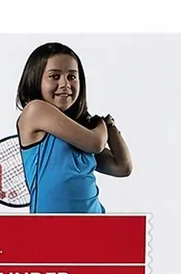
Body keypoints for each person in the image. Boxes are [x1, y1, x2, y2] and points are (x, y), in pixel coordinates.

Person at [15, 43, 131, 214]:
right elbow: (96, 143)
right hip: (49, 226)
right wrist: (100, 123)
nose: (65, 84)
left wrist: (111, 128)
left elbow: (122, 167)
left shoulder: (82, 134)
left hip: (96, 223)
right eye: (54, 76)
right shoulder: (35, 110)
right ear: (36, 79)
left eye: (72, 77)